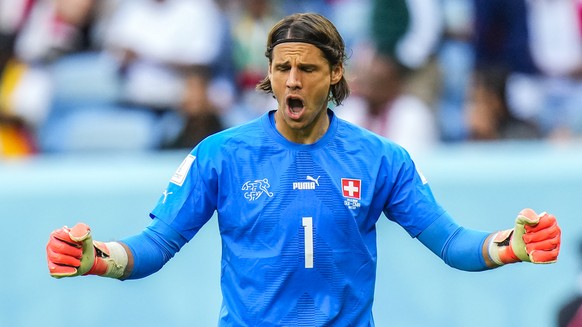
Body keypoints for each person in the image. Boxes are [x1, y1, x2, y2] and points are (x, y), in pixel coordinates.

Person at [46, 13, 562, 326]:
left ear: (335, 72)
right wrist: (96, 257)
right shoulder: (221, 155)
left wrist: (509, 247)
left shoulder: (382, 159)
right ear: (269, 73)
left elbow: (451, 244)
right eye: (282, 68)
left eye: (308, 69)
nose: (292, 81)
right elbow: (155, 245)